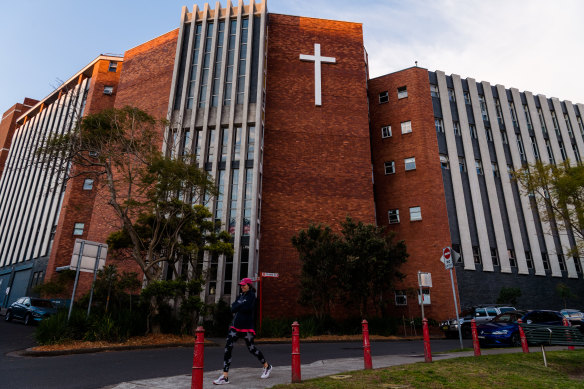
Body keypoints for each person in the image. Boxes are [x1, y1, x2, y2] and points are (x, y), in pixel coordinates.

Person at [213, 277, 272, 385]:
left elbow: (247, 308)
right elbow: (232, 308)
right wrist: (240, 305)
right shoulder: (240, 296)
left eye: (244, 285)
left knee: (251, 348)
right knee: (228, 347)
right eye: (241, 285)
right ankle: (224, 376)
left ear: (249, 286)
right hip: (235, 327)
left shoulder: (251, 296)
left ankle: (267, 366)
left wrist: (239, 305)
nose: (242, 287)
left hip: (247, 327)